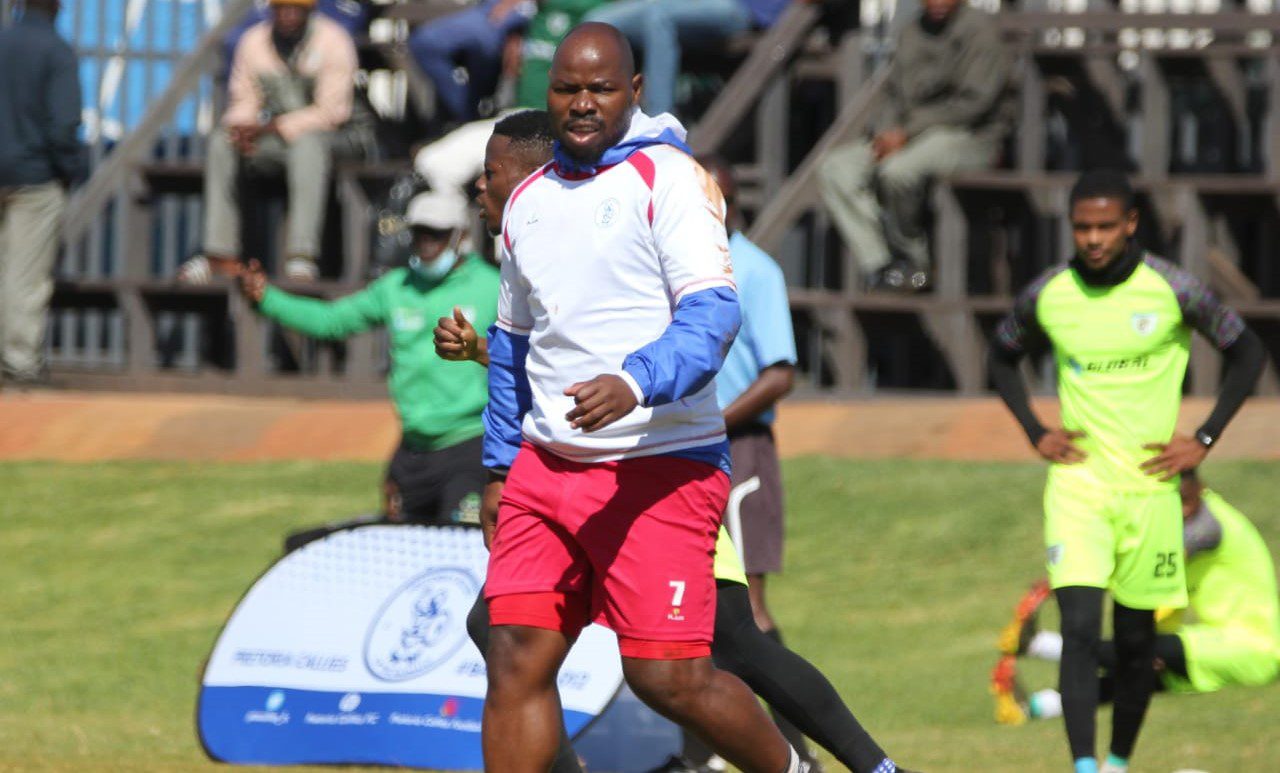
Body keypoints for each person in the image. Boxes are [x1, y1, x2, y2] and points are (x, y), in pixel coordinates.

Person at [435, 111, 910, 773]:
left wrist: (676, 406)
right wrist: (490, 359)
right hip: (577, 479)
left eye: (490, 175)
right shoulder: (541, 233)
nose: (481, 190)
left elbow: (738, 359)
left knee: (735, 644)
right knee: (499, 632)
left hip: (667, 472)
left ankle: (872, 767)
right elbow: (563, 362)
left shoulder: (720, 257)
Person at [475, 23, 809, 773]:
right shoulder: (526, 200)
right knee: (514, 654)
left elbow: (712, 317)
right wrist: (499, 467)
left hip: (659, 466)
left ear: (635, 91)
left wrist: (633, 381)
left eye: (600, 87)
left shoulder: (672, 178)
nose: (582, 103)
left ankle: (795, 768)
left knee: (667, 676)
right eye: (567, 88)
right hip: (545, 469)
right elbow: (513, 347)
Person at [988, 170, 1266, 773]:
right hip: (1079, 487)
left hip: (1151, 492)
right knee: (1082, 628)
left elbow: (1247, 352)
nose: (1092, 238)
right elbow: (1001, 356)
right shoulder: (1049, 293)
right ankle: (1085, 767)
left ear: (1130, 223)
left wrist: (1205, 439)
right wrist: (1037, 432)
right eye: (1082, 226)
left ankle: (1117, 761)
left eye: (1105, 226)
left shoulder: (1172, 288)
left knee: (1138, 644)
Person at [238, 188, 497, 523]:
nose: (426, 242)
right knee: (399, 553)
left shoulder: (493, 286)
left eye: (437, 233)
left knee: (464, 553)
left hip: (469, 446)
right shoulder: (395, 287)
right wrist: (267, 298)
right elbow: (330, 321)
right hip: (412, 447)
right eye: (419, 232)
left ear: (460, 236)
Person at [1016, 469, 1280, 719]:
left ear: (1201, 487)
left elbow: (1146, 569)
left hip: (1255, 645)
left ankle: (1040, 646)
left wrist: (1074, 579)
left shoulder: (1207, 527)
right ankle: (1038, 708)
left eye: (1186, 501)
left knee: (1139, 655)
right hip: (1227, 639)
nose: (1182, 511)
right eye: (1173, 504)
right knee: (1142, 674)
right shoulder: (1192, 517)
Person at [818, 0, 1014, 292]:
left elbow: (973, 105)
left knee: (898, 172)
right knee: (835, 168)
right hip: (909, 136)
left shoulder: (982, 32)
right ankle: (882, 266)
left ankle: (915, 261)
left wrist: (907, 133)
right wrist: (886, 131)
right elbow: (892, 95)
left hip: (968, 136)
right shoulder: (910, 31)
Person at [181, 0, 358, 285]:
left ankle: (302, 256)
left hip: (336, 138)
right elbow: (243, 99)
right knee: (221, 142)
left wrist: (273, 127)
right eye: (280, 8)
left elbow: (332, 113)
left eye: (294, 8)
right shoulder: (253, 42)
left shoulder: (333, 40)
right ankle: (219, 254)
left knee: (308, 145)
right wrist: (242, 129)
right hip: (274, 137)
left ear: (308, 10)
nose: (287, 15)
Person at [0, 0, 84, 385]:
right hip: (34, 177)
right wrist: (70, 171)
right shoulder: (55, 50)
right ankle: (19, 364)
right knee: (25, 277)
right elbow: (63, 125)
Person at [583, 0, 796, 117]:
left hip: (741, 9)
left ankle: (659, 121)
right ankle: (598, 112)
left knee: (659, 19)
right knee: (596, 23)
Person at [407, 0, 535, 124]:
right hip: (485, 12)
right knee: (423, 42)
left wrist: (508, 4)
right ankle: (468, 114)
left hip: (508, 17)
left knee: (425, 42)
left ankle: (468, 116)